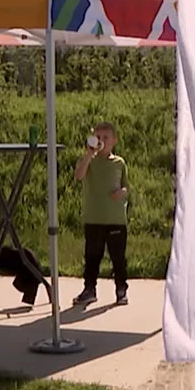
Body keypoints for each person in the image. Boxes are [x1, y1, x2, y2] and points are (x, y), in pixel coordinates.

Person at [72, 120, 130, 307]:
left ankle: (121, 290)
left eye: (106, 137)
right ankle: (89, 289)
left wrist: (122, 192)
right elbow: (79, 176)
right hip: (94, 218)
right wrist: (89, 154)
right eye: (98, 137)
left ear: (114, 140)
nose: (101, 141)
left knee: (118, 257)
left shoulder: (119, 163)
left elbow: (125, 186)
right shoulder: (89, 160)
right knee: (92, 256)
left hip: (115, 219)